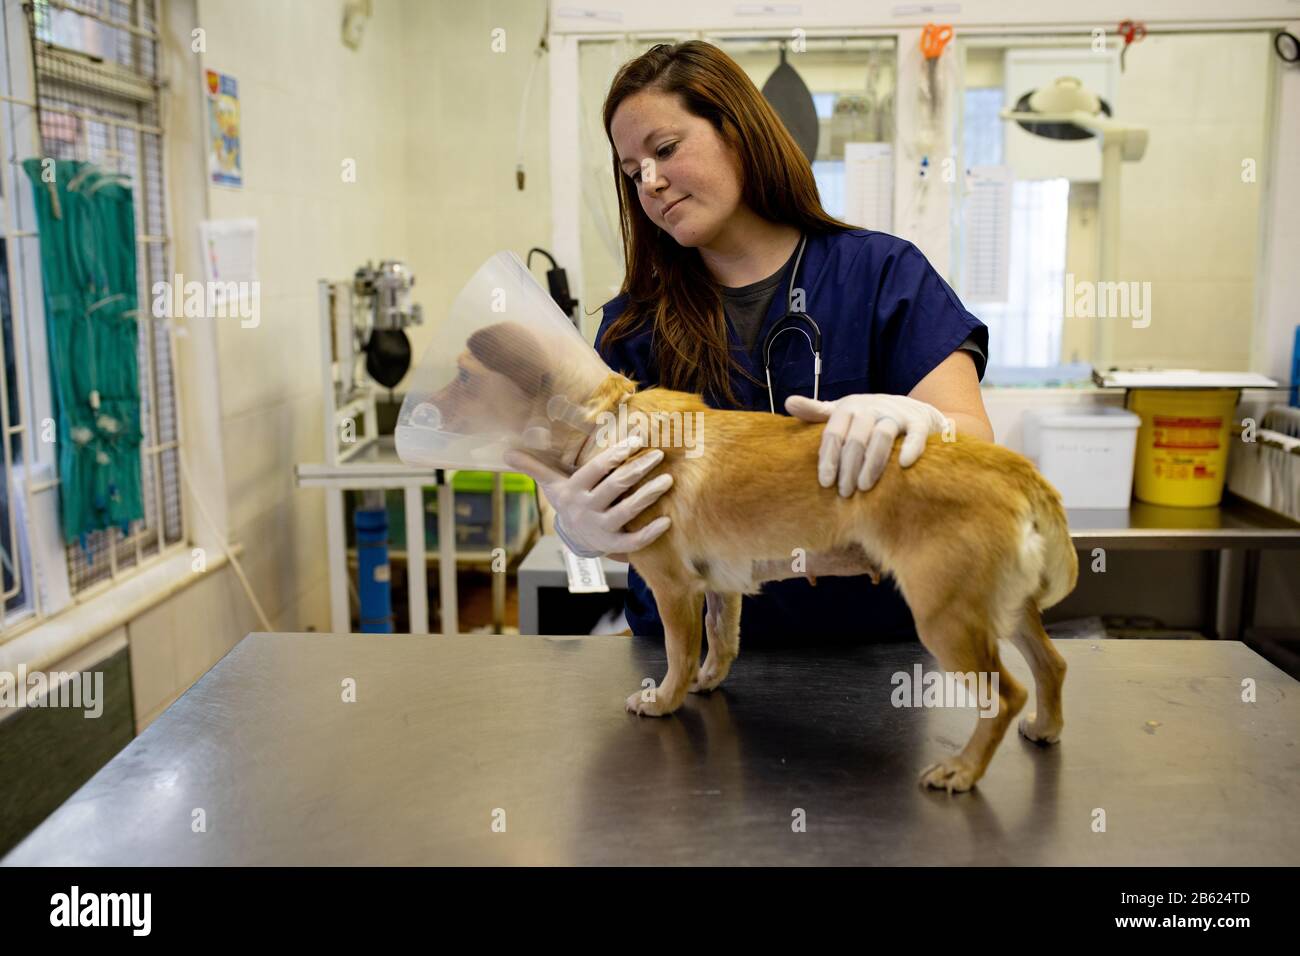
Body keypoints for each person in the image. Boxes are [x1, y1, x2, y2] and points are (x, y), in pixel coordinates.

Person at [518, 40, 993, 645]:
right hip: (681, 674)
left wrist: (921, 421)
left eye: (664, 150)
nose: (652, 181)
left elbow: (975, 445)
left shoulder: (882, 275)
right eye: (633, 172)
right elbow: (620, 520)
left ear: (737, 133)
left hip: (868, 668)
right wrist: (583, 528)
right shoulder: (633, 324)